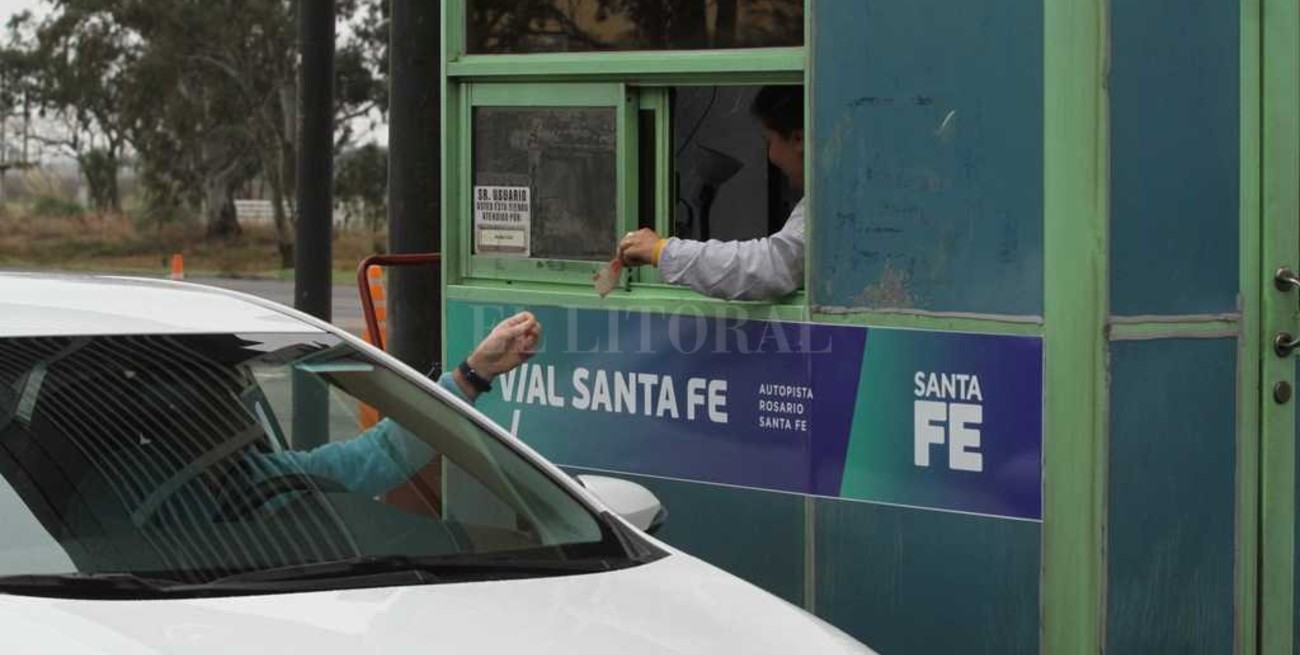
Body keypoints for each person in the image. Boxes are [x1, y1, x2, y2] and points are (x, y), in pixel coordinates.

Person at [247, 311, 541, 498]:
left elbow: (373, 457)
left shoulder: (256, 481)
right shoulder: (241, 492)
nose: (241, 418)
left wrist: (473, 374)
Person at [617, 85, 805, 301]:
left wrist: (662, 251)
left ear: (798, 139)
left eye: (769, 141)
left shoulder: (831, 203)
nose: (770, 155)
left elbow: (770, 267)